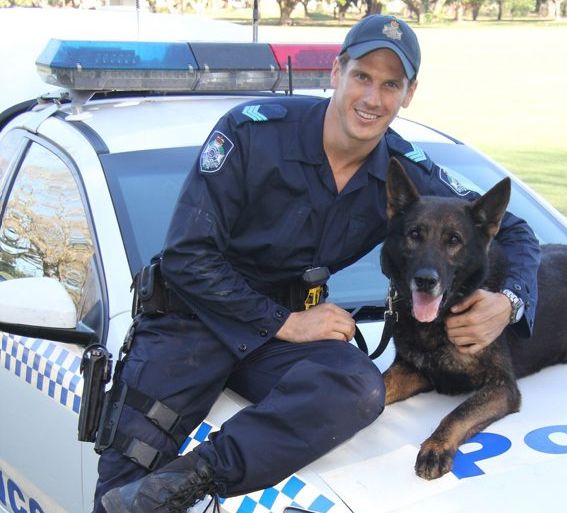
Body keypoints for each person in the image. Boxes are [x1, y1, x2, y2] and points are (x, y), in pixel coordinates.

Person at [96, 14, 540, 513]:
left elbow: (514, 230)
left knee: (356, 386)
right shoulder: (251, 134)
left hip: (280, 339)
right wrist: (285, 322)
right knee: (119, 492)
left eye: (390, 84)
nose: (373, 99)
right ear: (336, 72)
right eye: (362, 77)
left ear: (408, 94)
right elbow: (186, 255)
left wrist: (510, 302)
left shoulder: (406, 172)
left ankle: (188, 480)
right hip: (192, 321)